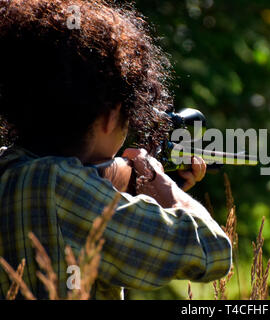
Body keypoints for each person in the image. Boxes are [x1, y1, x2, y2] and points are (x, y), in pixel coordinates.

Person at [0, 0, 232, 299]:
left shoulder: (9, 169)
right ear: (111, 115)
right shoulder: (62, 188)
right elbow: (213, 251)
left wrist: (131, 191)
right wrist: (168, 191)